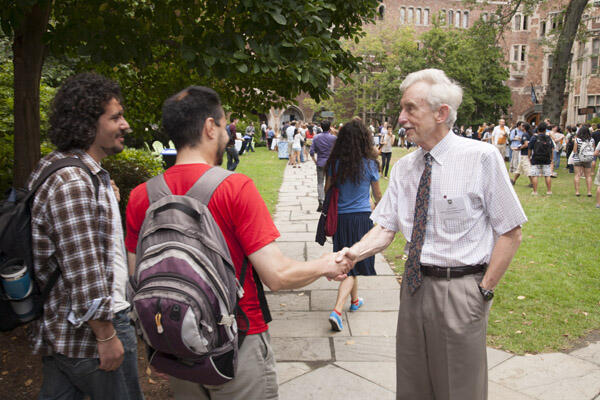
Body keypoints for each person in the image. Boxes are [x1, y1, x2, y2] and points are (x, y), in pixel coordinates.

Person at [125, 86, 352, 400]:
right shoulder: (234, 188)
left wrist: (157, 343)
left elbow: (137, 281)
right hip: (235, 342)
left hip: (175, 343)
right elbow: (278, 275)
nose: (226, 136)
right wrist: (326, 264)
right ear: (209, 127)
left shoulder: (141, 196)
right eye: (222, 126)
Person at [336, 69, 526, 400]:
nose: (401, 118)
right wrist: (354, 253)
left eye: (410, 108)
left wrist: (483, 292)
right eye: (402, 109)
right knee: (412, 384)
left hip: (461, 291)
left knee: (459, 389)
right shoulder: (404, 168)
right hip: (413, 287)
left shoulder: (480, 158)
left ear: (441, 113)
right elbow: (385, 228)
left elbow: (510, 231)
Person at [29, 73, 144, 399]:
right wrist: (107, 336)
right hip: (90, 336)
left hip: (64, 331)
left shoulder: (63, 167)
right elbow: (84, 269)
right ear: (86, 124)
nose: (126, 125)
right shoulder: (74, 182)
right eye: (115, 117)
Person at [325, 119, 382, 331]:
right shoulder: (370, 164)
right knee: (350, 266)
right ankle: (337, 311)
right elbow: (377, 194)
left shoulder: (335, 163)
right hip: (361, 218)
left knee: (349, 261)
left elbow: (328, 189)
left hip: (340, 218)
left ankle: (355, 301)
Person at [310, 120, 337, 211]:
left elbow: (311, 152)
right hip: (331, 163)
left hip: (320, 162)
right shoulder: (333, 138)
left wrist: (315, 161)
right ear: (330, 127)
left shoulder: (316, 137)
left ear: (321, 127)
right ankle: (328, 201)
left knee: (320, 183)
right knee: (330, 182)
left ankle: (321, 201)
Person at [528, 121, 554, 195]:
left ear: (537, 129)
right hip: (546, 158)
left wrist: (529, 156)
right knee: (547, 175)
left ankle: (535, 191)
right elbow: (552, 148)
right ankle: (549, 191)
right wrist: (551, 158)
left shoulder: (534, 137)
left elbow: (530, 148)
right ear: (545, 130)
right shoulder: (548, 137)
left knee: (535, 175)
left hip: (536, 157)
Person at [572, 125, 594, 197]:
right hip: (588, 159)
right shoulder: (592, 140)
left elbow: (575, 151)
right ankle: (589, 192)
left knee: (577, 175)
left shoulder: (577, 140)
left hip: (578, 158)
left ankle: (577, 192)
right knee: (588, 176)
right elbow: (592, 150)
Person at [511, 123, 532, 187]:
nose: (520, 127)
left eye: (522, 126)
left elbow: (526, 144)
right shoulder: (528, 134)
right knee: (519, 169)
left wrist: (518, 148)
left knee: (528, 170)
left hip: (525, 154)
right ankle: (513, 181)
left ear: (524, 128)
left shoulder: (525, 134)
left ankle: (532, 183)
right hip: (524, 154)